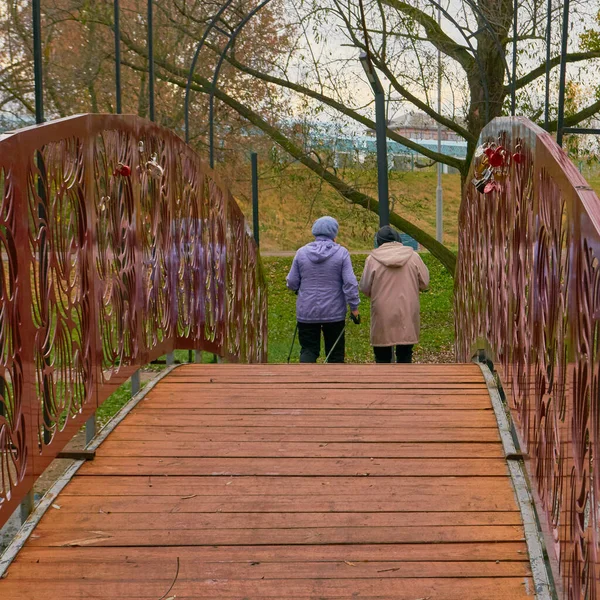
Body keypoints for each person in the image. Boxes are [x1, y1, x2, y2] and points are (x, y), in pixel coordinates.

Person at [286, 216, 360, 363]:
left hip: (306, 311)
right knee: (335, 354)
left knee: (308, 350)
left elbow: (292, 282)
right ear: (334, 233)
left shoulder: (301, 252)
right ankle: (334, 383)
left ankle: (306, 382)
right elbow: (350, 283)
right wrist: (354, 307)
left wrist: (298, 287)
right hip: (334, 312)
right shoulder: (342, 253)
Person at [359, 225, 429, 363]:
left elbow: (365, 287)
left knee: (382, 355)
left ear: (379, 241)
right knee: (405, 353)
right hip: (407, 309)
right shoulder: (413, 257)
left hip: (382, 310)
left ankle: (384, 382)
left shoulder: (372, 260)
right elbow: (424, 283)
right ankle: (404, 382)